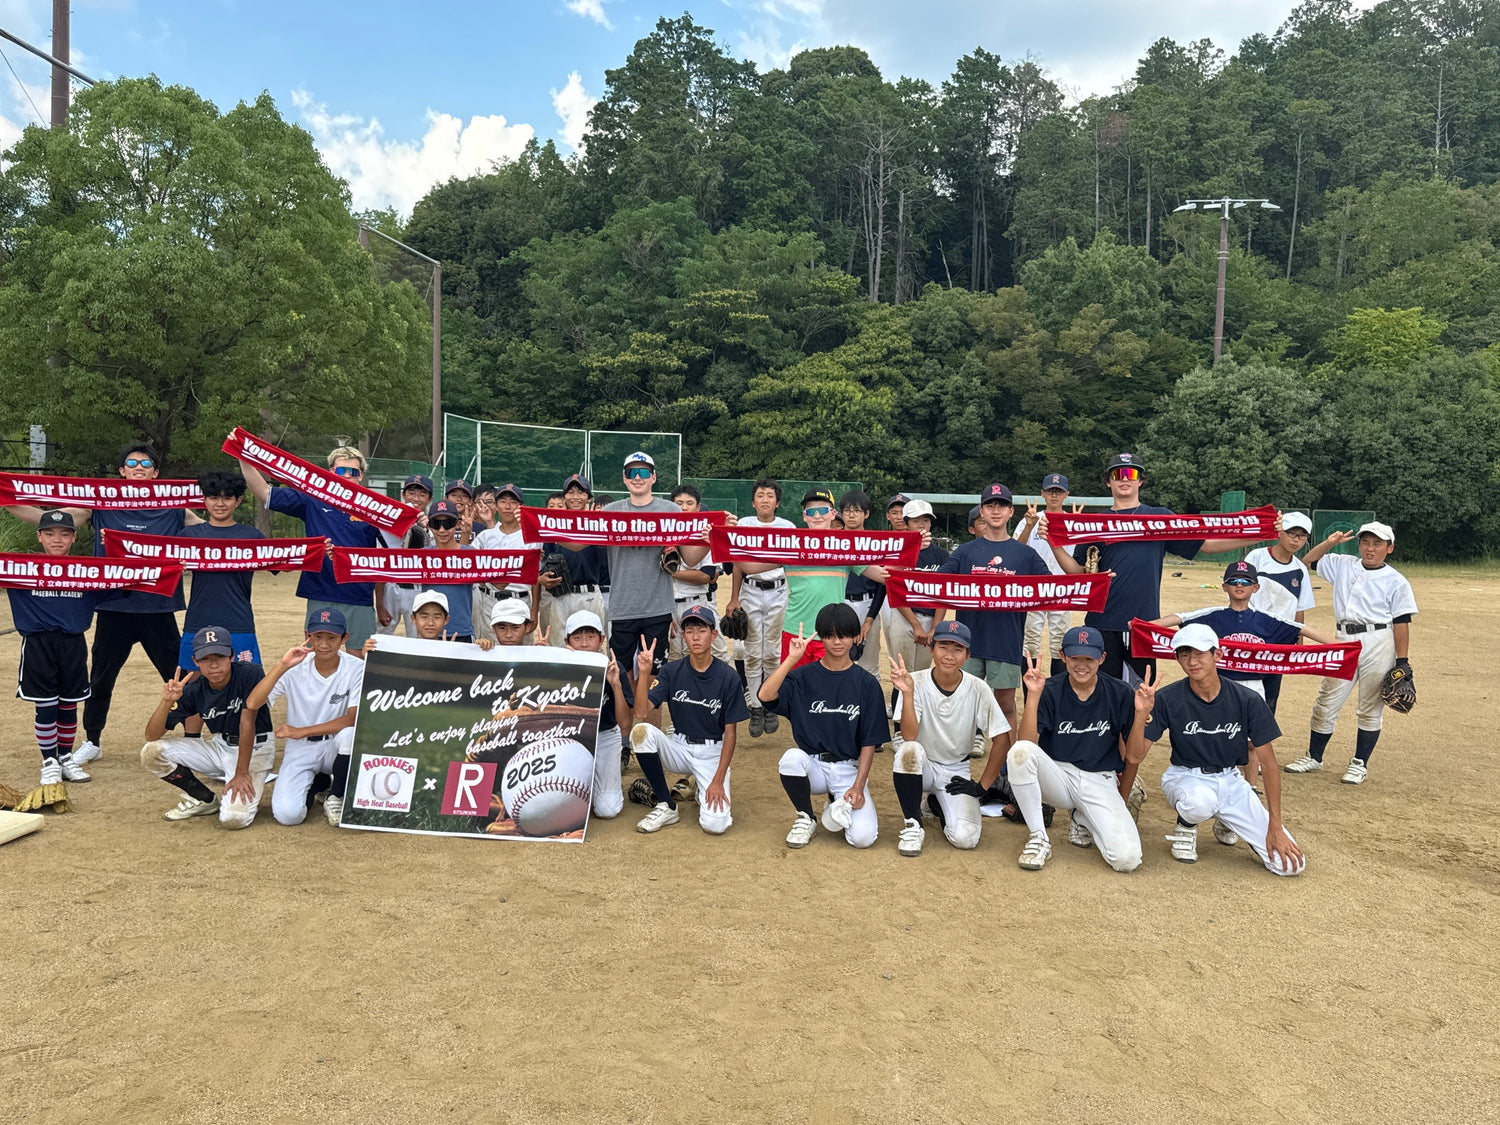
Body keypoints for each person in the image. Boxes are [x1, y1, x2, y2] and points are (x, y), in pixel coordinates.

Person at [11, 441, 202, 764]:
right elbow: (48, 519)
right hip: (113, 609)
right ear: (122, 471)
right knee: (100, 679)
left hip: (158, 608)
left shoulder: (176, 507)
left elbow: (213, 535)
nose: (139, 468)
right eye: (132, 463)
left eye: (146, 464)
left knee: (180, 677)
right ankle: (93, 740)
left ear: (155, 473)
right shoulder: (102, 502)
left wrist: (252, 546)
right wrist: (6, 498)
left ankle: (193, 739)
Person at [1037, 453, 1251, 682]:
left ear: (1140, 480)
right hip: (1103, 622)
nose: (1124, 478)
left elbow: (1206, 545)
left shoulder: (1159, 518)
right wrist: (1053, 541)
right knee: (1104, 693)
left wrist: (1257, 535)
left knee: (1141, 692)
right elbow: (1076, 571)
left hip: (1143, 624)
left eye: (1131, 473)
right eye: (1117, 474)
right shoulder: (1096, 522)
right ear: (1108, 482)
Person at [976, 627, 1148, 873]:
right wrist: (1033, 696)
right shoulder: (1050, 689)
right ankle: (1038, 837)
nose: (1081, 665)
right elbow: (1027, 743)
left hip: (1099, 779)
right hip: (1057, 775)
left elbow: (1134, 756)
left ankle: (1082, 817)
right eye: (1075, 657)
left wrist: (1140, 715)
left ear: (1102, 658)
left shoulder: (1119, 692)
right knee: (1020, 751)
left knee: (1126, 860)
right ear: (1063, 656)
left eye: (1089, 658)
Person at [1144, 624, 1305, 875]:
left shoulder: (1247, 699)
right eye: (1184, 654)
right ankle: (1186, 826)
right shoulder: (1167, 697)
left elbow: (1269, 764)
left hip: (1231, 781)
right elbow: (1136, 755)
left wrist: (1275, 827)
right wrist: (1140, 715)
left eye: (1200, 653)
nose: (1192, 661)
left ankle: (1226, 818)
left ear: (1217, 655)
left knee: (1290, 866)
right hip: (1186, 777)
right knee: (1200, 803)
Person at [1284, 521, 1417, 785]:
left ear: (1389, 548)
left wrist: (1402, 661)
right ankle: (1314, 756)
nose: (1370, 548)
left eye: (1377, 544)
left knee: (1370, 705)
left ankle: (1359, 763)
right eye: (1365, 542)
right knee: (1327, 700)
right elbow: (1307, 561)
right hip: (1343, 638)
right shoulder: (1343, 564)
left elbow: (1401, 622)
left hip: (1379, 640)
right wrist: (1330, 543)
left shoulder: (1397, 581)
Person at [762, 604, 890, 850]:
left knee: (862, 839)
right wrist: (792, 659)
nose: (837, 642)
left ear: (855, 636)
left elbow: (869, 742)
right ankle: (806, 817)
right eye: (830, 635)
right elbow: (765, 696)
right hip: (814, 766)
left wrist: (858, 786)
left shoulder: (866, 684)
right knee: (791, 759)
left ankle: (836, 798)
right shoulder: (803, 676)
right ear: (821, 636)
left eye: (843, 635)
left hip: (849, 769)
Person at [239, 442, 383, 656]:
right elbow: (264, 492)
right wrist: (243, 457)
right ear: (330, 472)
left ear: (360, 475)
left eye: (353, 472)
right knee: (318, 655)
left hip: (358, 594)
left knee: (359, 658)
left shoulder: (374, 506)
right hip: (320, 590)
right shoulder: (313, 498)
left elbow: (392, 546)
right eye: (341, 470)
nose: (347, 476)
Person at [935, 484, 1047, 748]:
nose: (996, 511)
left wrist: (1094, 580)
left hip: (1006, 638)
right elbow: (937, 581)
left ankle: (1009, 762)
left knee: (1005, 703)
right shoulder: (965, 551)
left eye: (1002, 506)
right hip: (967, 640)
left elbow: (1053, 588)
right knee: (961, 699)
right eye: (990, 505)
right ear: (982, 512)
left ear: (1011, 512)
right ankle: (955, 755)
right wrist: (902, 573)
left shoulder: (1026, 554)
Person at [887, 622, 1008, 857]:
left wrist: (981, 786)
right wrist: (908, 693)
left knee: (966, 839)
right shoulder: (914, 681)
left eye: (957, 649)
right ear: (931, 650)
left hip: (956, 769)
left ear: (968, 655)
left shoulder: (978, 688)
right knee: (908, 750)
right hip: (922, 765)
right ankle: (913, 824)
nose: (949, 656)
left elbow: (1002, 739)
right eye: (943, 647)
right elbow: (909, 736)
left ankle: (935, 804)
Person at [629, 607, 748, 836]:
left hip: (712, 752)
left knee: (715, 825)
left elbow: (731, 734)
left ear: (713, 635)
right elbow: (641, 712)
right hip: (679, 746)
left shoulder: (728, 677)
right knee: (641, 732)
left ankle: (702, 785)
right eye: (690, 631)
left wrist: (717, 780)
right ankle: (666, 804)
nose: (695, 637)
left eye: (701, 630)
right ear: (683, 636)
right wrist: (644, 673)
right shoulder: (671, 671)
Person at [140, 627, 275, 826]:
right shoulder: (195, 689)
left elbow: (247, 724)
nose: (213, 664)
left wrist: (241, 773)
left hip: (255, 748)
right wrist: (166, 702)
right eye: (205, 658)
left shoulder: (249, 673)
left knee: (234, 820)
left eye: (219, 656)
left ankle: (241, 779)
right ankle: (203, 798)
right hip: (220, 746)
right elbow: (151, 735)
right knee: (151, 752)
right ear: (195, 661)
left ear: (231, 656)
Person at [600, 452, 711, 688]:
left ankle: (647, 716)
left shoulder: (671, 510)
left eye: (643, 472)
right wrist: (539, 523)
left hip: (657, 607)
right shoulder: (610, 511)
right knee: (622, 677)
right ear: (624, 478)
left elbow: (690, 558)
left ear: (653, 477)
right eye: (631, 472)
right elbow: (577, 540)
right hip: (622, 608)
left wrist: (709, 541)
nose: (637, 477)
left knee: (652, 679)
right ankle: (627, 715)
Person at [246, 608, 363, 827]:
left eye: (332, 637)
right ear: (307, 636)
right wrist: (282, 665)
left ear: (344, 638)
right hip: (301, 748)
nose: (324, 644)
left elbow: (352, 718)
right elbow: (253, 703)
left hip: (337, 745)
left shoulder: (356, 667)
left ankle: (335, 795)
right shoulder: (294, 666)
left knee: (350, 735)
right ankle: (319, 783)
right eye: (318, 637)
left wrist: (302, 730)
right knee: (288, 815)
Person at [1152, 561, 1334, 700]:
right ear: (1224, 587)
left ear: (1256, 587)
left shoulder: (1266, 619)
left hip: (1253, 685)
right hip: (1219, 682)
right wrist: (1143, 626)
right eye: (1233, 581)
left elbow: (1303, 629)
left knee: (1252, 734)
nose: (1239, 585)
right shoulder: (1213, 616)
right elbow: (1179, 617)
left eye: (1246, 581)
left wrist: (1342, 646)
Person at [8, 511, 95, 785]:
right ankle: (49, 761)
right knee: (46, 706)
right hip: (38, 644)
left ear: (74, 538)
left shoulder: (89, 570)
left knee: (69, 705)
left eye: (65, 534)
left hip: (72, 643)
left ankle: (66, 757)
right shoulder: (20, 568)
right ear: (39, 537)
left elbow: (123, 579)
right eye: (50, 534)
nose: (57, 540)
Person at [177, 468, 267, 671]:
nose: (220, 503)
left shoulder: (252, 537)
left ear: (238, 501)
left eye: (227, 498)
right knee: (192, 681)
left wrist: (317, 550)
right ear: (204, 500)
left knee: (247, 679)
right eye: (213, 497)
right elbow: (153, 558)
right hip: (198, 621)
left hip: (239, 622)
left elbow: (287, 560)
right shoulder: (188, 535)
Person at [725, 477, 795, 736]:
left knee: (773, 651)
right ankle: (755, 705)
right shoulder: (744, 524)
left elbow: (794, 563)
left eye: (770, 495)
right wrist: (734, 597)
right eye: (760, 495)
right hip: (751, 590)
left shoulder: (787, 527)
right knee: (753, 651)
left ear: (777, 502)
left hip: (778, 590)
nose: (765, 500)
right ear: (753, 502)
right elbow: (737, 563)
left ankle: (770, 703)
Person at [547, 610, 630, 822]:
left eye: (591, 636)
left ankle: (596, 783)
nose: (584, 643)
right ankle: (588, 782)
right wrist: (543, 663)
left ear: (602, 639)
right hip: (570, 738)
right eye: (577, 637)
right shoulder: (558, 667)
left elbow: (625, 725)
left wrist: (616, 685)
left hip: (605, 735)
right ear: (567, 641)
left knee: (607, 809)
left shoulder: (613, 667)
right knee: (560, 805)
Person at [1242, 511, 1316, 714]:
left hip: (1278, 640)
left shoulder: (1300, 569)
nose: (1296, 539)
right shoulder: (1257, 557)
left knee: (1270, 695)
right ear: (1280, 532)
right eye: (1291, 533)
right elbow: (1239, 592)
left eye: (1302, 535)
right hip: (1250, 635)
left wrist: (1299, 645)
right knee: (1244, 688)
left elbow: (1299, 608)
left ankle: (1262, 732)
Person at [883, 499, 951, 694]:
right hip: (903, 616)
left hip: (930, 618)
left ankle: (917, 712)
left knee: (921, 674)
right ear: (906, 524)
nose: (921, 525)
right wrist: (915, 624)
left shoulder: (941, 555)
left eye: (926, 520)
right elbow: (894, 588)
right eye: (915, 520)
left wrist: (935, 627)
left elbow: (943, 593)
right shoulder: (899, 552)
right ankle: (899, 714)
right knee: (902, 671)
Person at [536, 474, 610, 648]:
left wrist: (598, 534)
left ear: (589, 498)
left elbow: (605, 561)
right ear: (564, 497)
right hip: (561, 593)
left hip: (589, 592)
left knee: (590, 646)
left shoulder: (596, 524)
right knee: (559, 646)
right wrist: (542, 577)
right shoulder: (554, 525)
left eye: (581, 492)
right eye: (571, 492)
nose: (575, 497)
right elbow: (545, 560)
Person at [1016, 473, 1079, 676]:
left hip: (1061, 585)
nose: (1054, 495)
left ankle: (1056, 687)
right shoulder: (1031, 518)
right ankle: (1029, 689)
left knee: (1059, 640)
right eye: (1050, 491)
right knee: (1030, 640)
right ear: (1042, 493)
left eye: (1058, 491)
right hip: (1034, 585)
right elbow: (1016, 549)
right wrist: (1029, 525)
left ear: (1066, 494)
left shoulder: (1073, 521)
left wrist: (1077, 528)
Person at [667, 485, 729, 664]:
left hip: (696, 601)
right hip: (669, 605)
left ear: (698, 507)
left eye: (689, 503)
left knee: (713, 653)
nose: (684, 507)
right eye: (679, 503)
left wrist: (671, 573)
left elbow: (706, 576)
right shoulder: (664, 535)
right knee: (673, 656)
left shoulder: (705, 534)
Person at [472, 483, 538, 631]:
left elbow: (535, 578)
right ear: (496, 506)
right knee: (489, 643)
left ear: (521, 507)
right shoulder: (485, 536)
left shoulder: (531, 537)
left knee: (520, 644)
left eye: (513, 502)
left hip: (520, 599)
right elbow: (470, 565)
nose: (508, 506)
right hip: (490, 600)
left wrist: (534, 610)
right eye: (503, 501)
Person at [377, 473, 434, 637]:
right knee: (382, 636)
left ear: (429, 499)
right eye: (411, 493)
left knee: (418, 638)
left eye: (422, 494)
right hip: (391, 585)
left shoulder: (433, 525)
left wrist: (428, 529)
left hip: (418, 588)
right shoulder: (387, 522)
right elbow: (379, 562)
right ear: (403, 495)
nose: (416, 498)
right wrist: (379, 604)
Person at [838, 490, 886, 678]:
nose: (851, 515)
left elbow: (882, 584)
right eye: (847, 510)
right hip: (840, 603)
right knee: (838, 660)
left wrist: (869, 620)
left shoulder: (876, 543)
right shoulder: (833, 541)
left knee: (869, 666)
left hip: (868, 605)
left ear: (866, 514)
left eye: (857, 511)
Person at [414, 499, 476, 642]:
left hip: (461, 630)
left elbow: (500, 583)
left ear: (457, 524)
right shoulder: (422, 555)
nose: (442, 530)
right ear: (429, 526)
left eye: (448, 524)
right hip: (430, 631)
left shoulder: (471, 555)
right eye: (436, 524)